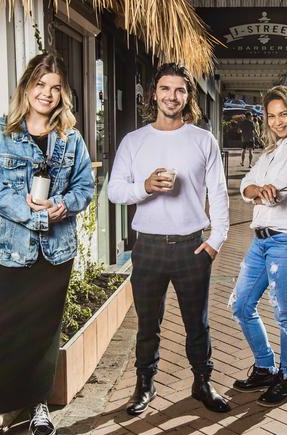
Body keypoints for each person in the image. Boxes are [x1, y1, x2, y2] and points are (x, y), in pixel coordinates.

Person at [0, 53, 94, 435]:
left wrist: (64, 206)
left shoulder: (69, 138)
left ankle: (39, 405)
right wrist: (39, 216)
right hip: (9, 251)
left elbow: (85, 186)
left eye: (55, 86)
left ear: (62, 94)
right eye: (40, 85)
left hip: (55, 252)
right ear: (26, 88)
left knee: (45, 331)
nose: (46, 93)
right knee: (8, 334)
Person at [107, 63, 230, 416]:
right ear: (154, 93)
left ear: (188, 96)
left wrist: (216, 241)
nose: (172, 96)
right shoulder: (134, 141)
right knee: (148, 324)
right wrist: (144, 187)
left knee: (198, 323)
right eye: (165, 89)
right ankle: (145, 385)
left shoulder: (202, 139)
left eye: (179, 90)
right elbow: (115, 191)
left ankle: (202, 382)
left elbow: (219, 194)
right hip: (147, 247)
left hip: (192, 246)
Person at [231, 85, 287, 407]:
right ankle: (266, 366)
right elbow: (245, 186)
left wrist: (258, 189)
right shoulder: (269, 152)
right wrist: (254, 188)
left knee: (284, 312)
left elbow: (276, 192)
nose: (278, 121)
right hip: (261, 240)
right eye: (271, 116)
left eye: (284, 114)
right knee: (241, 305)